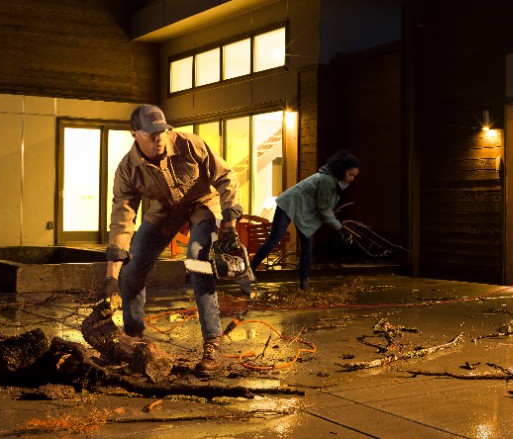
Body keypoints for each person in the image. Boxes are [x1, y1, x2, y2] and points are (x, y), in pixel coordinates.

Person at [102, 104, 242, 376]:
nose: (159, 138)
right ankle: (134, 340)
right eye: (151, 133)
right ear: (135, 134)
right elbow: (122, 219)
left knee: (197, 260)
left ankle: (213, 342)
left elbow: (226, 176)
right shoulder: (128, 170)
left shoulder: (191, 145)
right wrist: (110, 277)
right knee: (131, 271)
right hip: (165, 211)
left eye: (162, 131)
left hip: (203, 204)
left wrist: (231, 224)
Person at [250, 149, 359, 290]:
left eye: (354, 176)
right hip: (288, 204)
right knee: (274, 239)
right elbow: (324, 209)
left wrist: (335, 220)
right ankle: (250, 270)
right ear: (342, 170)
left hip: (303, 211)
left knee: (307, 247)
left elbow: (325, 206)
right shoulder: (327, 180)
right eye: (350, 175)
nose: (352, 179)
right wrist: (341, 229)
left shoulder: (334, 181)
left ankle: (304, 283)